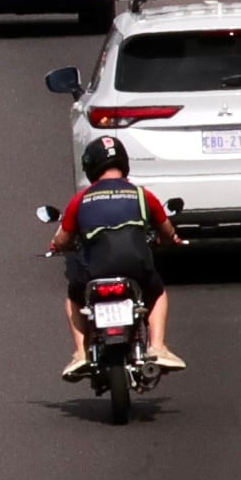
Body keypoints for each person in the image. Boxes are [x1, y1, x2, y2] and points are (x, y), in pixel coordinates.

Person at [48, 136, 185, 378]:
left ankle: (80, 353)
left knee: (74, 297)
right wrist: (168, 240)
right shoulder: (143, 196)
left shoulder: (81, 200)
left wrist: (58, 246)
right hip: (136, 267)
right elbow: (167, 231)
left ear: (90, 167)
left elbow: (63, 241)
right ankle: (158, 347)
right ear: (123, 162)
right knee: (157, 292)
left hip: (95, 271)